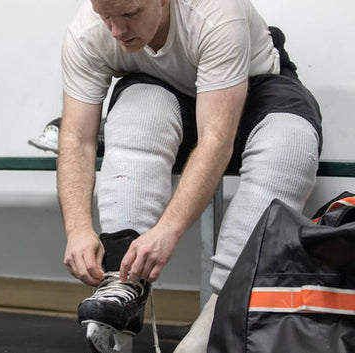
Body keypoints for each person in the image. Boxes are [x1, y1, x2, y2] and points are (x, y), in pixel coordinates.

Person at [56, 0, 322, 352]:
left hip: (256, 87)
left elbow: (217, 139)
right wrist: (77, 229)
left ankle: (225, 310)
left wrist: (167, 231)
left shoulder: (215, 12)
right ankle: (121, 282)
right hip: (166, 96)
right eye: (107, 17)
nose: (117, 30)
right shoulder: (87, 33)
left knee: (291, 140)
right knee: (138, 110)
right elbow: (77, 137)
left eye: (130, 14)